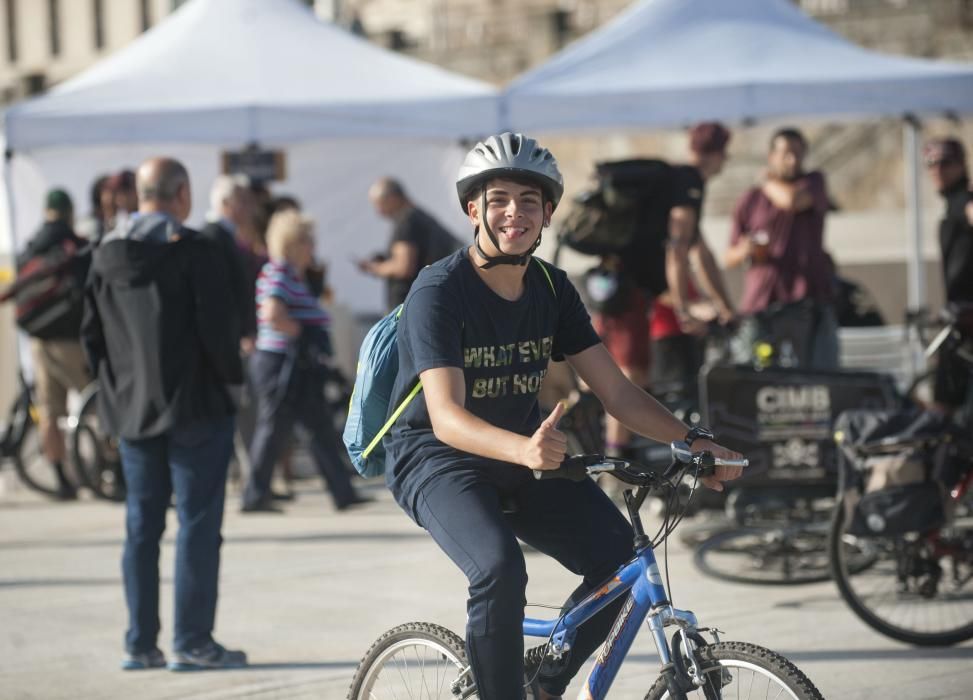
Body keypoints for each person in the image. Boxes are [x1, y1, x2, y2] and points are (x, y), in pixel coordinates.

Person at [384, 132, 743, 700]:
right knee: (500, 571)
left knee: (620, 561)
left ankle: (545, 683)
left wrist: (693, 440)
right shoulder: (439, 291)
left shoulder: (551, 288)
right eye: (498, 199)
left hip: (523, 450)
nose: (514, 213)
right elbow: (447, 417)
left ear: (549, 212)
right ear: (473, 208)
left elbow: (617, 394)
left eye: (529, 200)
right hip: (435, 456)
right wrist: (525, 450)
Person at [82, 157, 247, 671]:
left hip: (133, 410)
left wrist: (115, 393)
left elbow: (91, 337)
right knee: (197, 525)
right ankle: (193, 642)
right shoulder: (197, 251)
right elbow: (221, 330)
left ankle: (139, 644)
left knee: (141, 528)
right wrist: (230, 380)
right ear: (180, 194)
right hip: (196, 407)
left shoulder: (105, 255)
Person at [595, 122, 736, 458]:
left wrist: (723, 304)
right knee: (629, 376)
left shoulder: (676, 181)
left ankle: (621, 449)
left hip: (624, 287)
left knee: (630, 372)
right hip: (628, 290)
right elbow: (678, 248)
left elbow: (701, 254)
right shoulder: (688, 183)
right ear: (718, 155)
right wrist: (685, 308)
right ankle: (615, 460)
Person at [241, 209, 370, 513]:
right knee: (275, 429)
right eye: (307, 241)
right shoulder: (279, 273)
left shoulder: (291, 275)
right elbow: (272, 313)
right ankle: (255, 494)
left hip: (293, 365)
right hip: (282, 364)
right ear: (292, 243)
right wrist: (302, 333)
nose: (313, 247)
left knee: (317, 427)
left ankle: (343, 493)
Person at [725, 127, 838, 369]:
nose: (792, 160)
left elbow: (791, 201)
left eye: (798, 153)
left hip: (805, 303)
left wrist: (766, 180)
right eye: (786, 153)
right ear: (771, 156)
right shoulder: (750, 199)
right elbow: (729, 256)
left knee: (813, 376)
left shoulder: (813, 183)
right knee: (750, 371)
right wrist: (745, 249)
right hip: (761, 304)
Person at [19, 189, 91, 499]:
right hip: (71, 340)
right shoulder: (73, 246)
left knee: (49, 412)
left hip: (38, 340)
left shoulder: (32, 247)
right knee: (95, 403)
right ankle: (109, 468)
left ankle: (60, 477)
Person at [924, 137, 973, 413]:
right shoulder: (952, 203)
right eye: (931, 164)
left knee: (945, 406)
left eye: (945, 162)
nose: (937, 170)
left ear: (961, 164)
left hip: (967, 320)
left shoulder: (963, 198)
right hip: (958, 318)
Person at [361, 177, 460, 310]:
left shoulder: (407, 221)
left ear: (392, 198)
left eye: (379, 204)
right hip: (429, 301)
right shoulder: (419, 216)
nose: (378, 212)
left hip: (409, 306)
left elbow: (404, 267)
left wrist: (375, 268)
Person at [201, 174, 258, 352]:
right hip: (226, 341)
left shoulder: (227, 236)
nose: (250, 207)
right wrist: (238, 333)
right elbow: (218, 292)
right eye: (243, 201)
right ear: (225, 203)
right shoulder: (213, 237)